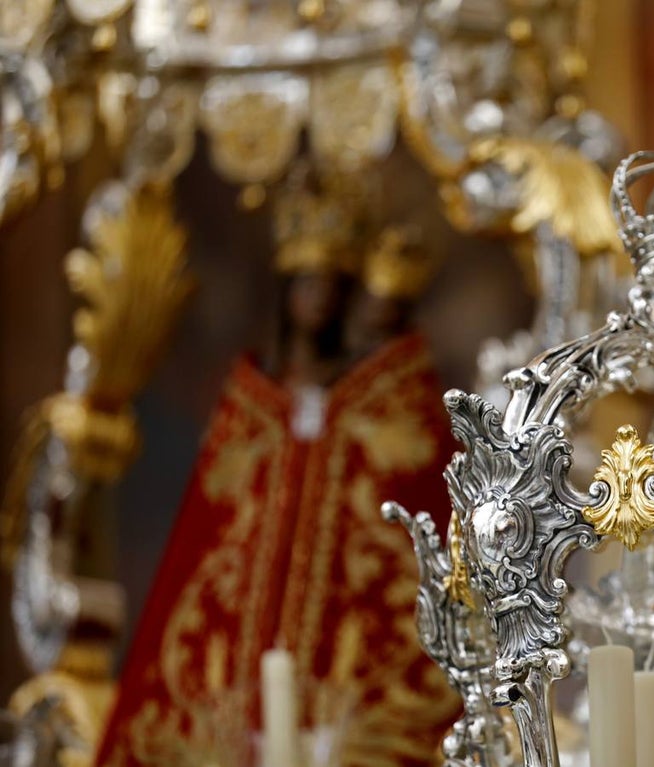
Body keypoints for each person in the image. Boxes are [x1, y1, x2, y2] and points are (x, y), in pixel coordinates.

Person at [92, 175, 461, 767]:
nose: (316, 299)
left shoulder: (378, 400)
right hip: (232, 701)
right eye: (305, 283)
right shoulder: (250, 405)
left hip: (344, 712)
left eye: (329, 286)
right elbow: (208, 542)